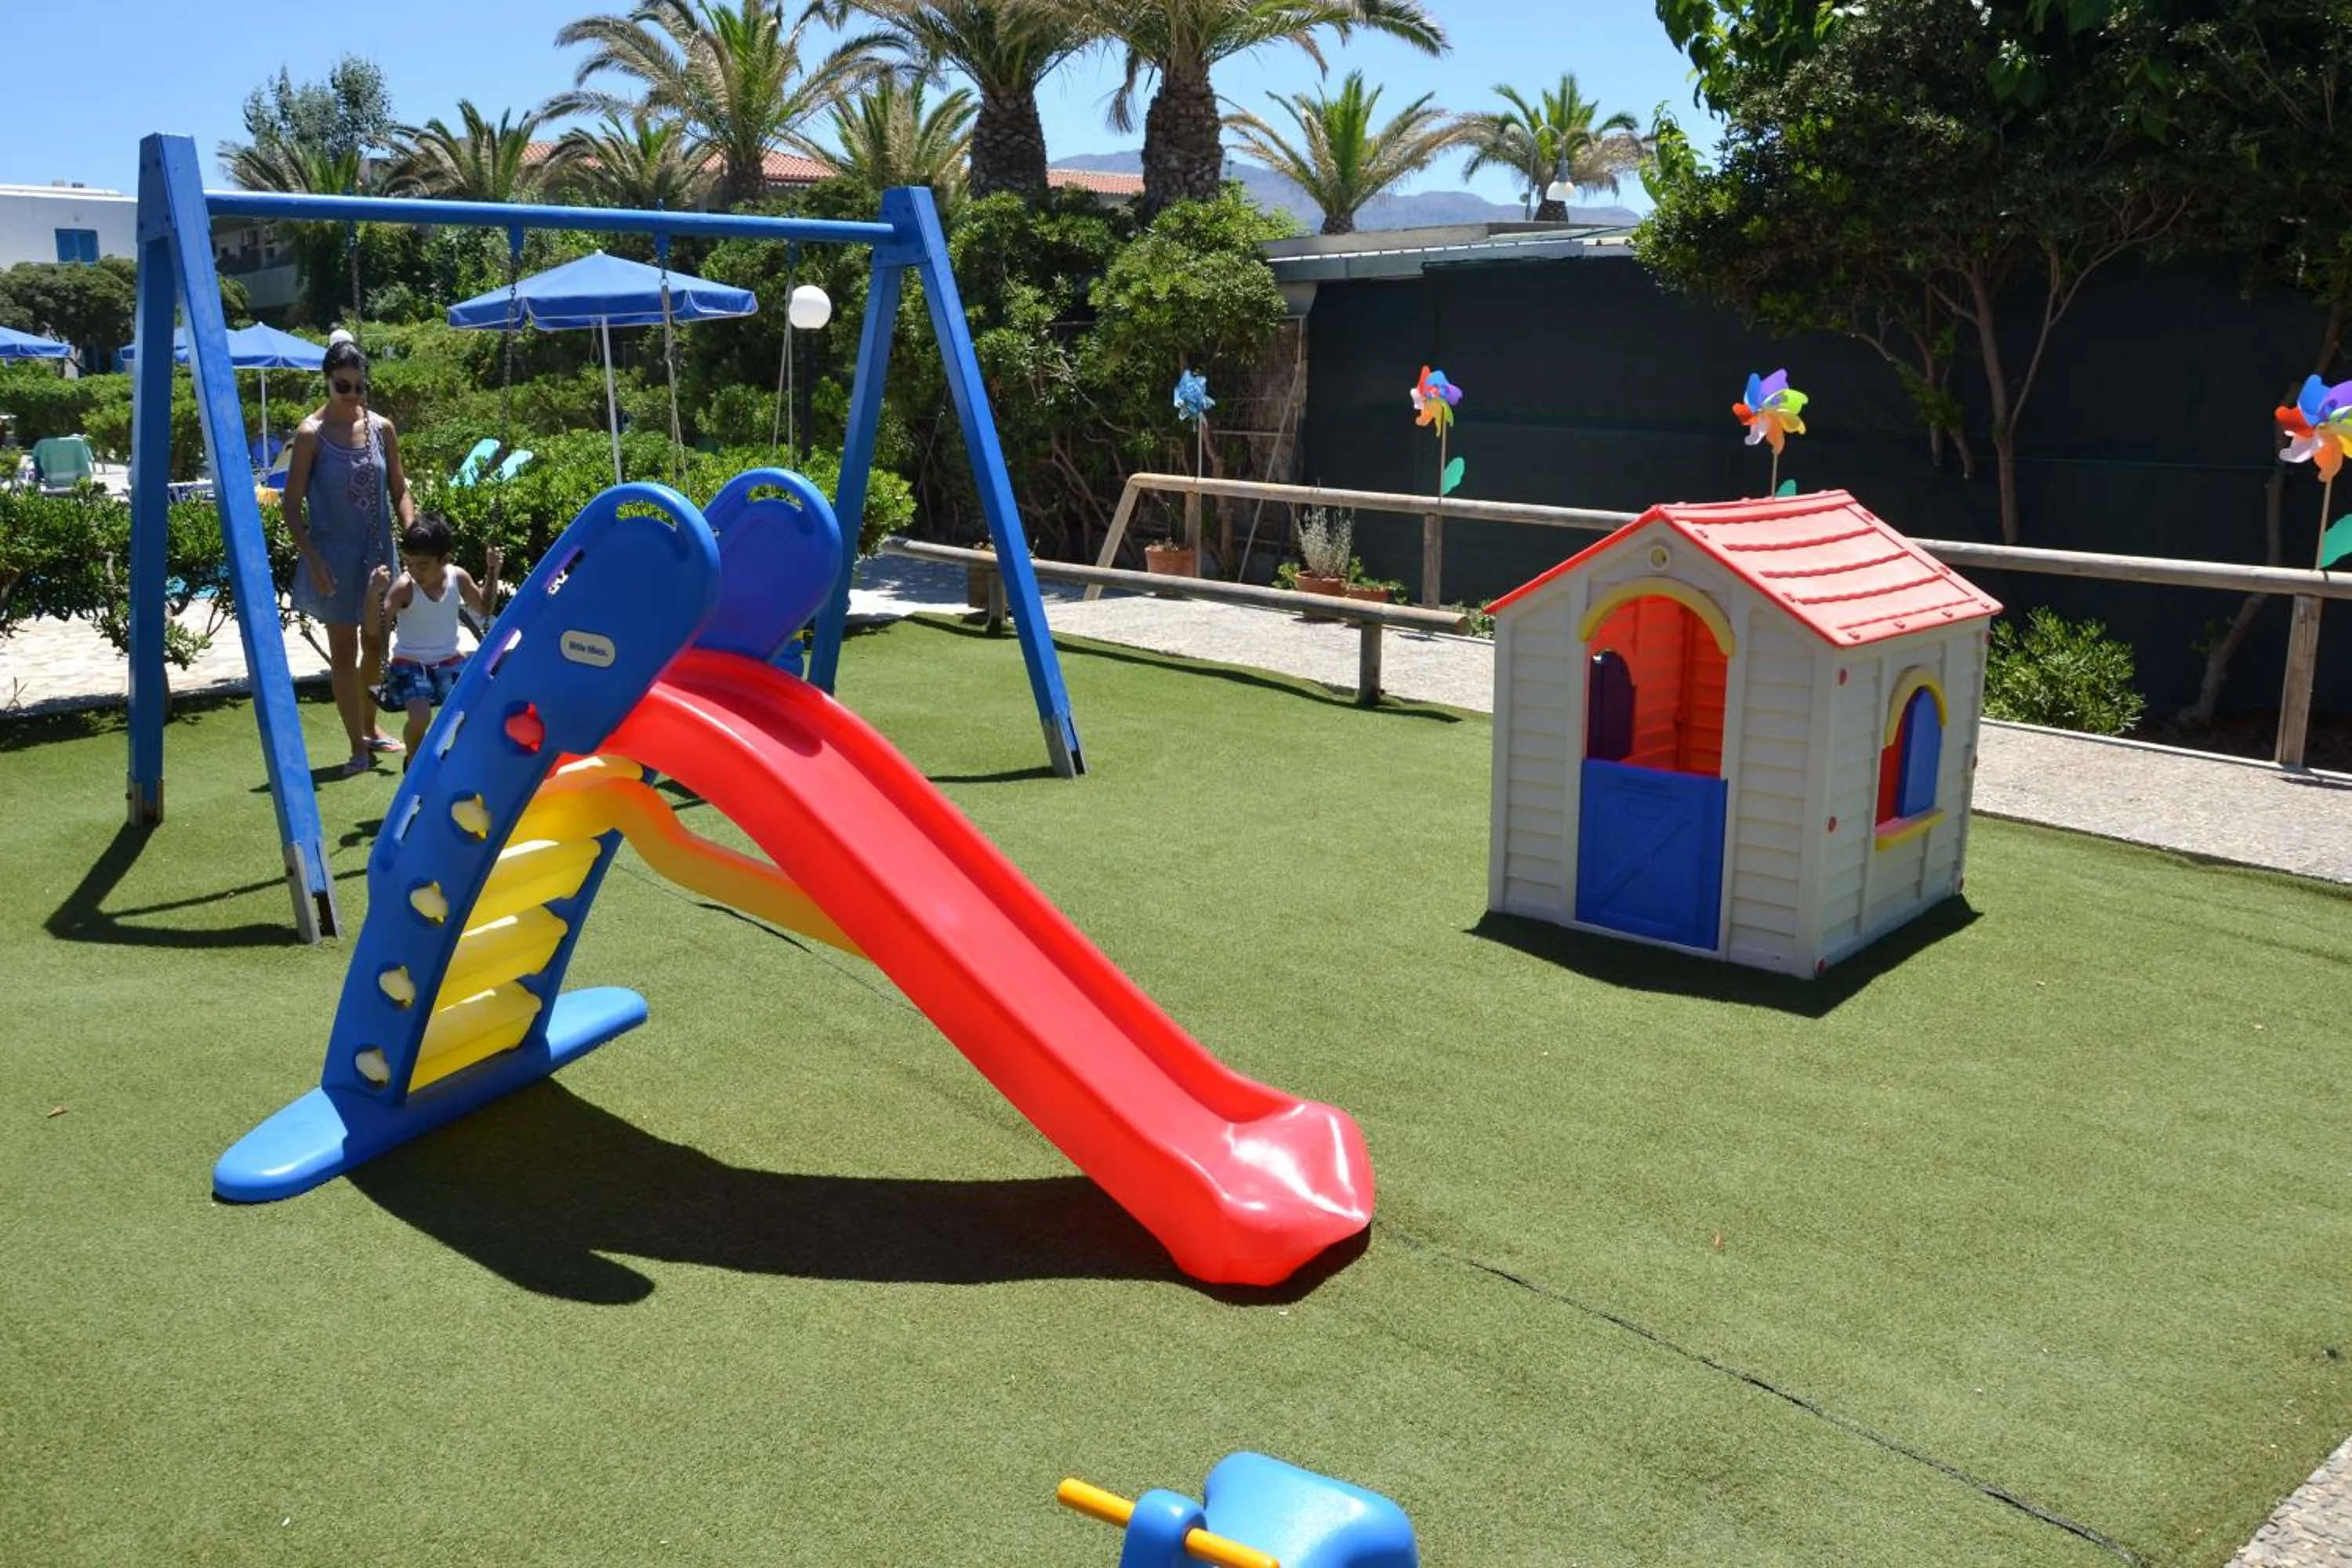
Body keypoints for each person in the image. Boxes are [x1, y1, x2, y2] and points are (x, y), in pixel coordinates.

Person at [284, 338, 414, 776]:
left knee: (377, 647)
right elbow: (290, 505)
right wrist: (313, 558)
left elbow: (400, 489)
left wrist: (413, 534)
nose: (354, 395)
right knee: (343, 652)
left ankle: (371, 727)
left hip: (378, 554)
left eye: (361, 387)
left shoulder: (382, 428)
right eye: (344, 386)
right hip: (334, 558)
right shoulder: (310, 435)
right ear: (327, 381)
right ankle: (355, 744)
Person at [368, 517, 501, 771]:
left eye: (423, 565)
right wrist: (373, 594)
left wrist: (492, 570)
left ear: (445, 559)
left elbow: (484, 608)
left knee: (471, 710)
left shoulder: (457, 578)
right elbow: (375, 627)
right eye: (409, 564)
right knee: (420, 717)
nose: (415, 572)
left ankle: (456, 761)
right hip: (409, 663)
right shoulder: (404, 587)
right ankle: (416, 763)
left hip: (449, 660)